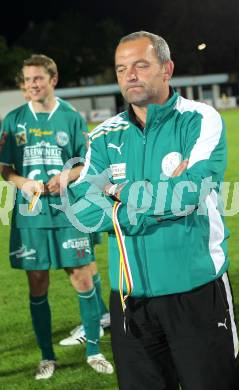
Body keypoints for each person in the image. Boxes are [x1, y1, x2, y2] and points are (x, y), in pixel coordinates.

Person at [71, 31, 239, 389]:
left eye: (140, 65)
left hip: (196, 294)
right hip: (131, 301)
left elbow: (189, 195)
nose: (129, 75)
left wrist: (117, 192)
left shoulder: (199, 120)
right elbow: (82, 209)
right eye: (121, 69)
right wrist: (150, 203)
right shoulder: (103, 136)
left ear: (167, 69)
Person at [0, 54, 113, 379]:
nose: (32, 84)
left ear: (53, 79)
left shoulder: (71, 117)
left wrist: (65, 176)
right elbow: (5, 169)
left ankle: (94, 351)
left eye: (37, 78)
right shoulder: (14, 119)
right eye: (27, 79)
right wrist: (25, 183)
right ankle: (46, 357)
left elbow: (87, 163)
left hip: (68, 211)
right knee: (37, 283)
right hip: (31, 214)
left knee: (82, 277)